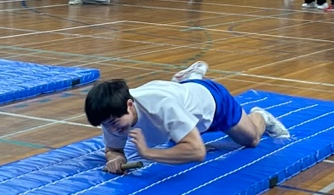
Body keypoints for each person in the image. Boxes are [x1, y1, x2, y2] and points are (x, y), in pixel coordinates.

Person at [84, 60, 290, 175]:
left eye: (114, 124)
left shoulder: (162, 106)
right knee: (176, 135)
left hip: (214, 103)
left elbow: (197, 152)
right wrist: (116, 157)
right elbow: (113, 148)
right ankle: (189, 79)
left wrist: (148, 153)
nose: (112, 130)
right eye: (106, 125)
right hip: (180, 98)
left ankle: (260, 115)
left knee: (251, 140)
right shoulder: (112, 116)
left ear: (130, 105)